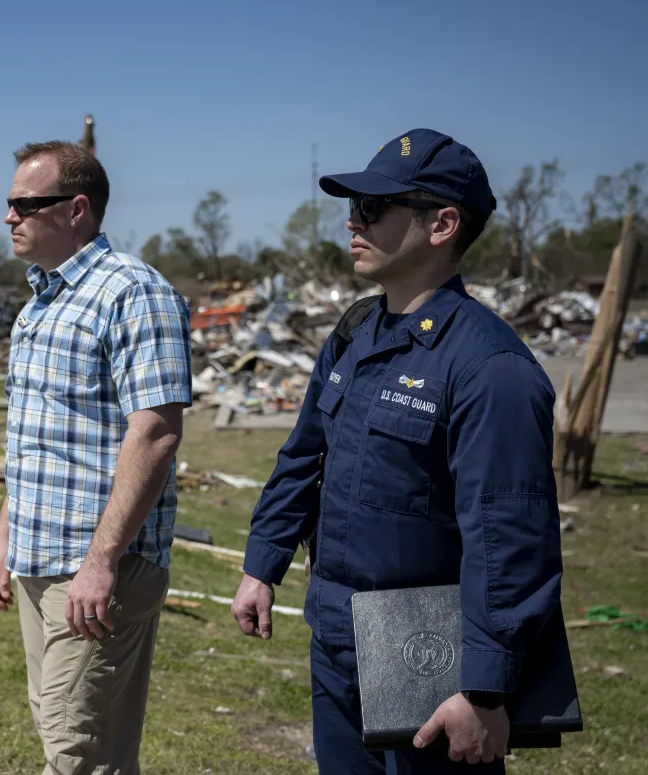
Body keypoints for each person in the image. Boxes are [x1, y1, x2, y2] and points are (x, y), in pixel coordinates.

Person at [231, 129, 564, 773]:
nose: (353, 221)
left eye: (374, 208)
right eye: (353, 206)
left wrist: (483, 687)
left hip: (430, 655)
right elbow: (304, 456)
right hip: (337, 632)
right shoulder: (357, 329)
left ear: (442, 224)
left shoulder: (490, 368)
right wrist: (262, 564)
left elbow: (509, 537)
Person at [0, 140, 193, 773]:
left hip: (100, 568)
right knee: (85, 745)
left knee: (75, 753)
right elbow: (37, 440)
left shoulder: (133, 293)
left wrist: (100, 563)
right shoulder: (39, 306)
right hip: (37, 560)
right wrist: (2, 537)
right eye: (9, 203)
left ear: (76, 209)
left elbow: (156, 432)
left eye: (26, 203)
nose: (10, 216)